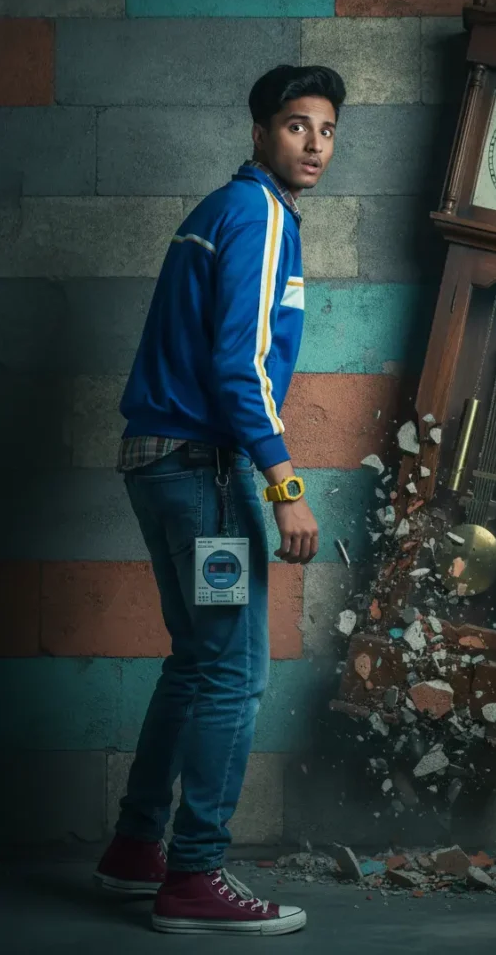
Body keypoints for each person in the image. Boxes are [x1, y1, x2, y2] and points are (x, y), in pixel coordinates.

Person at [93, 64, 346, 937]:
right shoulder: (258, 214)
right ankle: (194, 874)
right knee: (234, 671)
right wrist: (285, 486)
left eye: (326, 130)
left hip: (158, 460)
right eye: (296, 125)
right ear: (258, 131)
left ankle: (137, 849)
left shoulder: (219, 211)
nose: (314, 144)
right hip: (198, 468)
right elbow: (236, 368)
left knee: (197, 662)